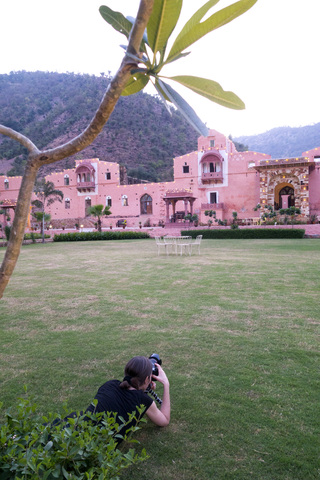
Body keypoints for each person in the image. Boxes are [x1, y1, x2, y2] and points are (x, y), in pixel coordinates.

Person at [85, 356, 170, 438]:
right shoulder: (142, 400)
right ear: (147, 379)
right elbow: (164, 420)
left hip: (79, 427)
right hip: (97, 448)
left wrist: (143, 388)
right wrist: (166, 384)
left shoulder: (109, 384)